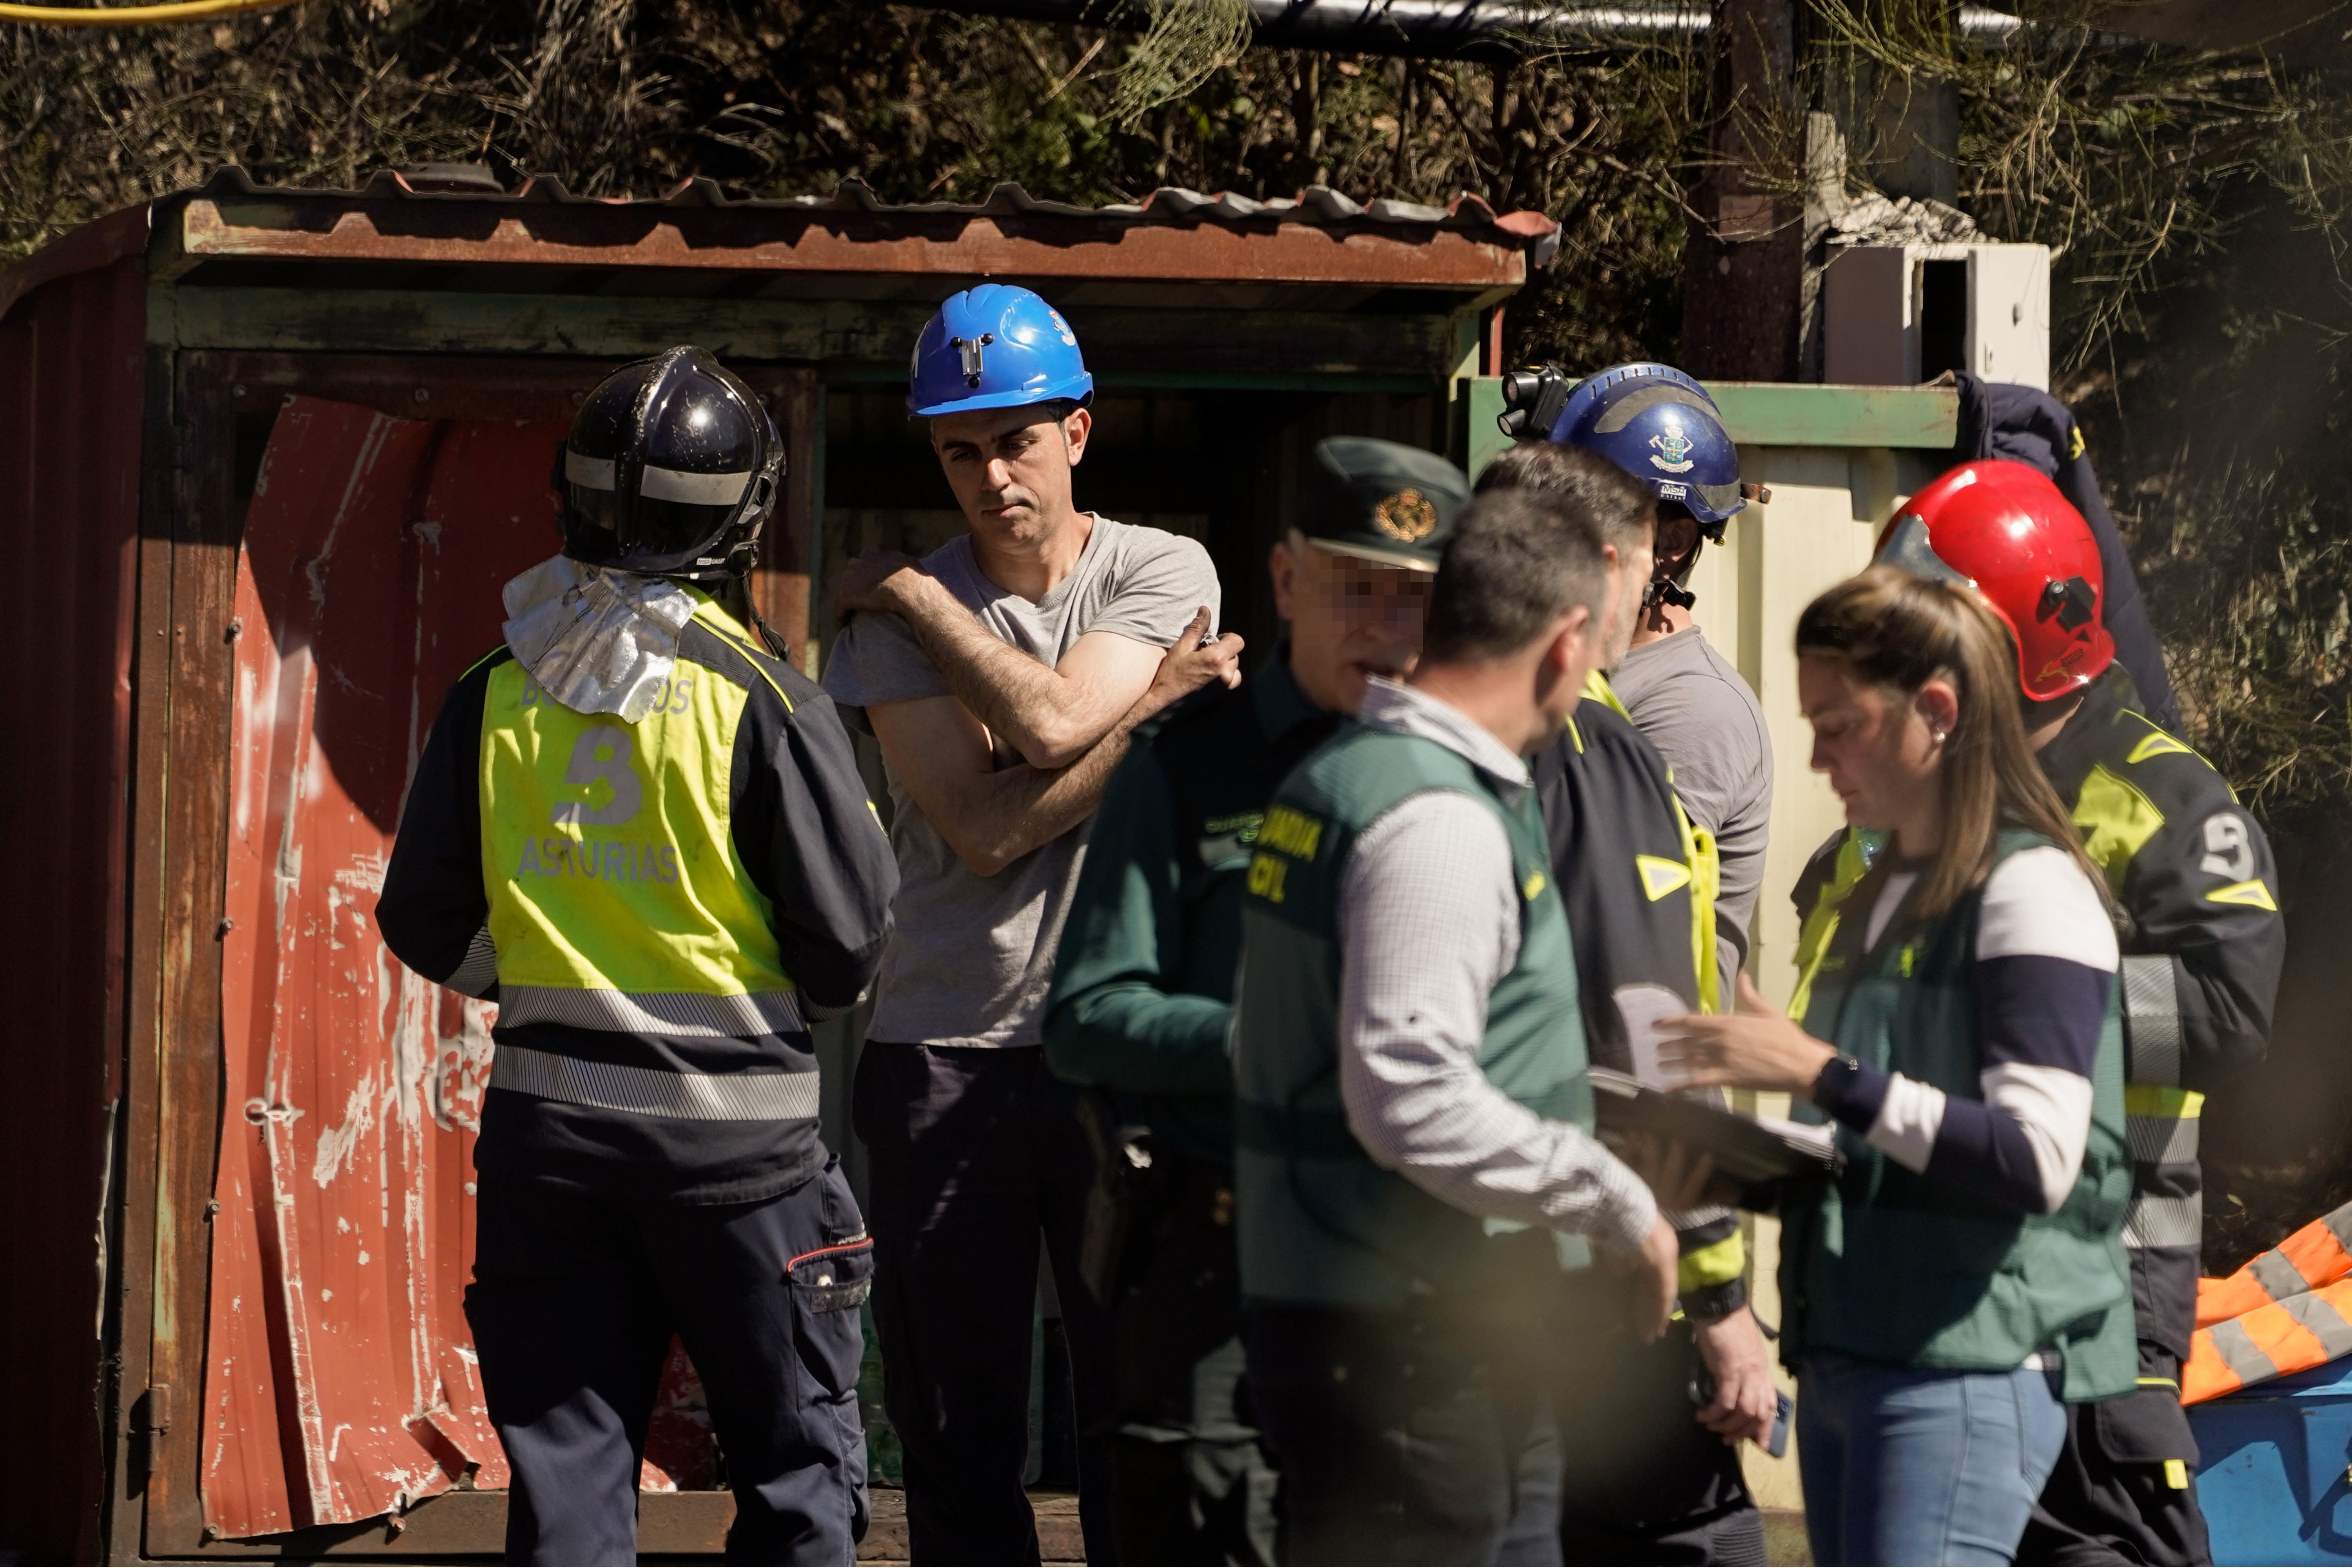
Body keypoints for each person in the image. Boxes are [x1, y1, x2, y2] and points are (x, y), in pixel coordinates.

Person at [376, 346, 899, 1565]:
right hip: (741, 1165)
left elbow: (422, 923)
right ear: (743, 518)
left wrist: (554, 980)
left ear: (575, 498)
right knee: (795, 1476)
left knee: (567, 1495)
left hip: (547, 1154)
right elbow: (845, 955)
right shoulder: (767, 701)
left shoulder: (494, 688)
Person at [818, 283, 1243, 1564]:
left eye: (1014, 438)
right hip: (947, 1049)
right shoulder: (883, 631)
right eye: (960, 448)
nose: (993, 472)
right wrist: (1153, 707)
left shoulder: (1160, 566)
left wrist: (915, 597)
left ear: (1077, 433)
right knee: (955, 1418)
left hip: (1118, 1043)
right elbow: (983, 832)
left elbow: (1050, 734)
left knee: (1134, 1399)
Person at [1793, 461, 2283, 1565]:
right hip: (1904, 1280)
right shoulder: (1895, 808)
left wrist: (2014, 1008)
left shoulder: (2163, 798)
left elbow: (2232, 1006)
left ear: (2011, 641)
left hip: (2091, 1272)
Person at [1230, 485, 1685, 1565]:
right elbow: (1412, 1093)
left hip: (1388, 1328)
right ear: (1569, 640)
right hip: (1412, 1349)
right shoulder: (1435, 816)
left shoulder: (1351, 776)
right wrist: (1621, 1204)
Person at [1662, 564, 2138, 1567]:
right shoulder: (1883, 891)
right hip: (1857, 1350)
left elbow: (2035, 1157)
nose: (1818, 754)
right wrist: (1731, 1165)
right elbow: (1882, 1138)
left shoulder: (2032, 888)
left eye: (1841, 723)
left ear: (1937, 711)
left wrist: (1820, 1071)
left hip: (1962, 1365)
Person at [1044, 436, 1463, 1565]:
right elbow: (1086, 1013)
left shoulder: (1487, 777)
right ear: (1286, 583)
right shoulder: (1186, 767)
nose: (1383, 625)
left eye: (1412, 598)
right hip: (1221, 1268)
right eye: (1352, 588)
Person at [1475, 441, 1774, 1566]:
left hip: (1433, 1266)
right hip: (1602, 1255)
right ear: (1610, 565)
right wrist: (1717, 1291)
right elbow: (1643, 1030)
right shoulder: (1595, 748)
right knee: (1691, 1533)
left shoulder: (1413, 734)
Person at [1549, 363, 1773, 992]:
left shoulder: (1697, 707)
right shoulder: (1575, 670)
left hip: (1643, 1082)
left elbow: (1608, 905)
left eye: (1573, 520)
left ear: (1671, 540)